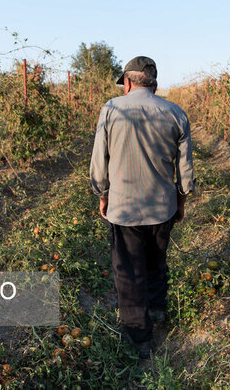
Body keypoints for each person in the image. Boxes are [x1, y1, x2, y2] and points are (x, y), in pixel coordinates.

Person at [90, 56, 194, 358]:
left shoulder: (110, 110)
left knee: (128, 273)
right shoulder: (176, 114)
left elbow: (100, 163)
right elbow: (185, 171)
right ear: (155, 84)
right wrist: (181, 202)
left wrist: (103, 195)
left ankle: (140, 336)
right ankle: (158, 310)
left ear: (128, 83)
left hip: (124, 208)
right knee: (156, 259)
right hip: (162, 206)